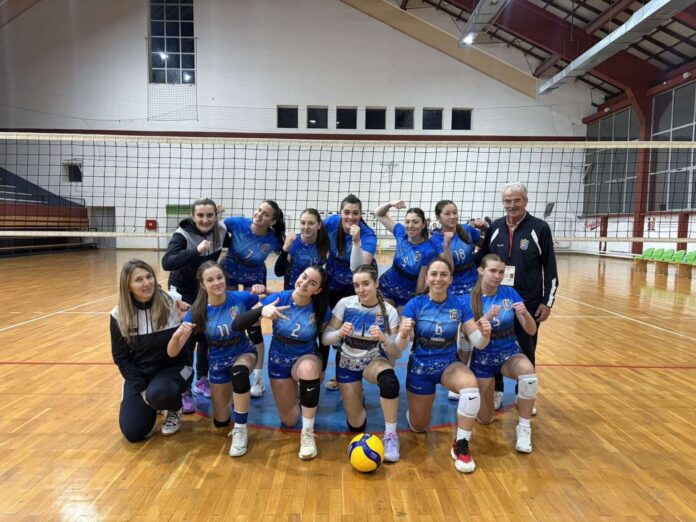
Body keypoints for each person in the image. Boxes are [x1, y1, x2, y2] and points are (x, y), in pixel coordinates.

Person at [398, 257, 491, 473]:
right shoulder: (415, 304)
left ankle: (461, 443)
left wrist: (485, 335)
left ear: (451, 279)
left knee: (470, 387)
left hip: (448, 364)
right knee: (419, 427)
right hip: (420, 367)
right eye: (434, 274)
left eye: (443, 274)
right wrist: (403, 333)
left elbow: (477, 341)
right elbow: (402, 345)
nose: (438, 279)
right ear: (427, 278)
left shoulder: (459, 303)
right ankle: (416, 411)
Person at [232, 266, 330, 460]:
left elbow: (323, 341)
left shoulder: (320, 308)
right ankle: (304, 395)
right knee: (290, 420)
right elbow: (237, 324)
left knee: (309, 370)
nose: (304, 283)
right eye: (304, 277)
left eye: (312, 283)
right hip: (279, 360)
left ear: (318, 290)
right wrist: (262, 310)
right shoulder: (278, 299)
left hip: (306, 356)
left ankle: (307, 433)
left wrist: (323, 368)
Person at [476, 182, 558, 412]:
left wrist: (547, 302)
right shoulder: (496, 227)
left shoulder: (540, 228)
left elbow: (550, 268)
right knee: (493, 345)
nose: (512, 205)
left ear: (525, 201)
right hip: (495, 299)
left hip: (527, 301)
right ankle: (497, 390)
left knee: (527, 348)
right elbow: (483, 260)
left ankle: (525, 395)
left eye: (516, 200)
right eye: (507, 201)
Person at [167, 261, 260, 457]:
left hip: (243, 352)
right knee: (220, 421)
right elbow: (173, 352)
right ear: (202, 285)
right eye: (210, 280)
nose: (217, 282)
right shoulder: (197, 312)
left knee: (239, 372)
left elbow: (274, 298)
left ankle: (241, 430)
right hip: (218, 362)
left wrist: (262, 294)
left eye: (219, 277)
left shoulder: (240, 298)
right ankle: (235, 396)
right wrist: (176, 336)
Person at [322, 265, 402, 462]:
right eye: (357, 285)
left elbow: (396, 353)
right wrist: (339, 333)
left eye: (366, 284)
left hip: (372, 361)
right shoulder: (345, 304)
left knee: (389, 381)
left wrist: (384, 339)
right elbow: (325, 338)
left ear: (376, 284)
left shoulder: (388, 311)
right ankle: (357, 393)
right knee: (356, 426)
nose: (361, 289)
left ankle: (391, 435)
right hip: (347, 364)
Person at [111, 259, 193, 442]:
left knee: (159, 394)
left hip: (177, 369)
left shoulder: (172, 302)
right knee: (133, 432)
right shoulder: (118, 314)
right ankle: (147, 396)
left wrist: (187, 318)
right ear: (128, 286)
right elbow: (121, 357)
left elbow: (200, 329)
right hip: (142, 373)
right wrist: (140, 389)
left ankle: (174, 407)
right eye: (139, 280)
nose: (147, 283)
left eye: (149, 277)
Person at [162, 198, 228, 410]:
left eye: (210, 215)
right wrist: (196, 251)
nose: (205, 219)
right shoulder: (182, 235)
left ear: (216, 216)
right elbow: (167, 262)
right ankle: (185, 388)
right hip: (183, 291)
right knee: (187, 341)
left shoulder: (221, 230)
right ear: (193, 216)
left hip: (204, 290)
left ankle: (202, 379)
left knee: (207, 338)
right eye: (200, 215)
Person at [469, 254, 538, 453]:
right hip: (483, 359)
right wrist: (486, 318)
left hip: (509, 353)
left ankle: (524, 427)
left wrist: (525, 314)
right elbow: (469, 336)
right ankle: (486, 395)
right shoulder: (469, 299)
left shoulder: (510, 293)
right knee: (485, 419)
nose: (497, 276)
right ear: (481, 271)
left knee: (529, 374)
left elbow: (531, 330)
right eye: (492, 271)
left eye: (501, 272)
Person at [222, 200, 286, 398]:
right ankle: (230, 369)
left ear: (272, 221)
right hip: (229, 272)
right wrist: (215, 214)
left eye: (265, 214)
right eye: (259, 210)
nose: (259, 214)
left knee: (254, 326)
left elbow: (285, 255)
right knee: (231, 320)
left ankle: (258, 377)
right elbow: (212, 228)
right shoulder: (236, 223)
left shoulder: (274, 238)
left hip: (254, 278)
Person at [322, 195, 377, 390]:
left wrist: (356, 241)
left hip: (356, 286)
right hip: (332, 283)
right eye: (346, 212)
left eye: (355, 213)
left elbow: (359, 267)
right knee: (329, 327)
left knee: (350, 331)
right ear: (340, 213)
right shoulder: (330, 223)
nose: (351, 217)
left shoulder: (368, 235)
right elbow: (311, 235)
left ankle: (347, 377)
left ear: (361, 215)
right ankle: (327, 374)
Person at [373, 200, 437, 312]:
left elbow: (420, 286)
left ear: (423, 225)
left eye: (415, 222)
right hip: (386, 288)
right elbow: (378, 213)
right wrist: (390, 204)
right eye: (407, 222)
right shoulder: (401, 233)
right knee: (384, 317)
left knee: (404, 321)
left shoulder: (428, 251)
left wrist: (415, 304)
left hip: (406, 296)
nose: (410, 226)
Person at [430, 200, 480, 296]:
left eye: (455, 212)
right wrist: (447, 244)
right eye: (447, 214)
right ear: (438, 218)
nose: (452, 217)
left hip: (474, 287)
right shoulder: (435, 240)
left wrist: (485, 228)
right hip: (452, 291)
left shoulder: (467, 229)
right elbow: (448, 268)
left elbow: (486, 245)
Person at [274, 208, 329, 290]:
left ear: (319, 225)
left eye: (311, 223)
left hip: (312, 292)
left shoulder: (325, 244)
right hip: (293, 291)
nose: (306, 227)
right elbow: (278, 272)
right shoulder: (293, 242)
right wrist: (285, 249)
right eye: (303, 223)